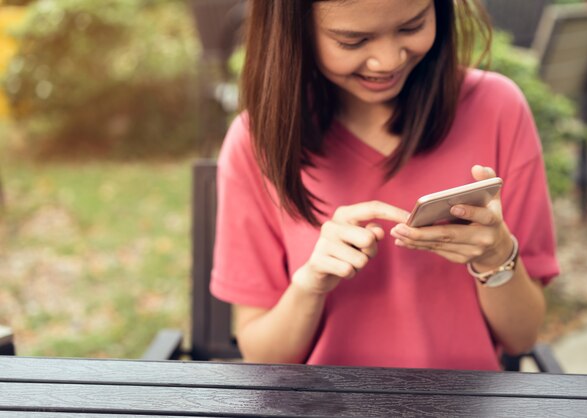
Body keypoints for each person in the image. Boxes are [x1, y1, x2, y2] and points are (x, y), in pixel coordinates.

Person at [211, 0, 560, 370]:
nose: (388, 60)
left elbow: (521, 338)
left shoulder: (497, 110)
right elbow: (261, 356)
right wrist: (310, 285)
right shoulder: (257, 143)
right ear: (294, 32)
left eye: (411, 27)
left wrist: (496, 256)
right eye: (353, 40)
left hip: (464, 403)